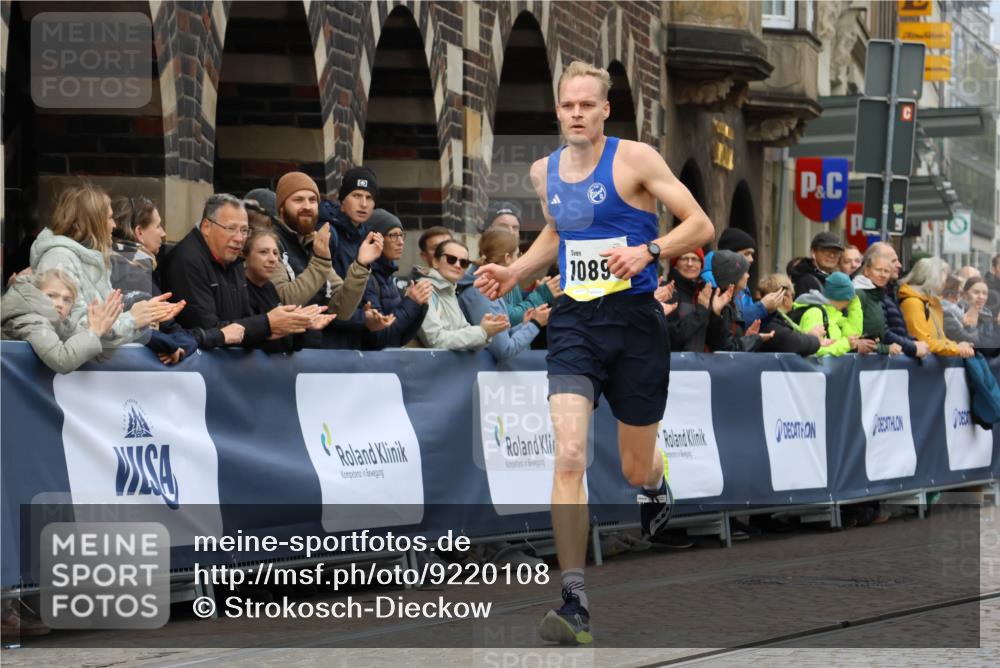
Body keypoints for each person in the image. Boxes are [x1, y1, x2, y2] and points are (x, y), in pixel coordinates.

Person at [474, 61, 714, 645]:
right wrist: (515, 271)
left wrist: (650, 249)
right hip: (577, 321)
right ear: (557, 110)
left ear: (605, 110)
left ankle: (655, 482)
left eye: (587, 105)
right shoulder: (543, 171)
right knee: (570, 454)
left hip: (634, 324)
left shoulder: (636, 159)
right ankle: (574, 598)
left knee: (634, 464)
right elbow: (558, 233)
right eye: (568, 105)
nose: (577, 114)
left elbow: (701, 224)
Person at [30, 184, 180, 348]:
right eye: (109, 218)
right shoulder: (59, 258)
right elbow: (72, 329)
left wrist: (147, 321)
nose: (114, 225)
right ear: (93, 222)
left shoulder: (94, 259)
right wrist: (133, 319)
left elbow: (106, 333)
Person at [162, 194, 315, 349]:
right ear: (206, 227)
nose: (239, 238)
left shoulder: (233, 261)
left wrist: (294, 325)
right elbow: (207, 330)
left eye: (244, 230)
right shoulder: (188, 261)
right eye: (231, 228)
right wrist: (267, 324)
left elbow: (244, 322)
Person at [268, 172, 376, 323]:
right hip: (283, 344)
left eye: (312, 200)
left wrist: (361, 266)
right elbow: (284, 300)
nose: (307, 206)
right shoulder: (270, 243)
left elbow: (341, 309)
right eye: (298, 200)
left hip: (314, 344)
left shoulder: (313, 243)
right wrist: (320, 261)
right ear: (281, 207)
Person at [110, 196, 197, 365]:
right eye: (158, 226)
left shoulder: (126, 266)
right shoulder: (131, 274)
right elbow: (172, 332)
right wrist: (178, 345)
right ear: (139, 232)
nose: (163, 233)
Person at [2, 270, 122, 373]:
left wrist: (103, 329)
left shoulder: (61, 323)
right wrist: (94, 332)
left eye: (67, 300)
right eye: (51, 296)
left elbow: (100, 355)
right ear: (36, 293)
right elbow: (62, 361)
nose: (60, 304)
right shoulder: (33, 320)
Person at [458, 229, 548, 361]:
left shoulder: (486, 285)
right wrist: (535, 324)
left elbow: (501, 335)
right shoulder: (482, 292)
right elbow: (504, 350)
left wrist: (525, 324)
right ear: (507, 258)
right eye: (517, 255)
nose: (519, 259)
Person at [243, 229, 336, 353]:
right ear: (245, 256)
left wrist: (301, 324)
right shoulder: (238, 289)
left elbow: (289, 346)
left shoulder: (269, 288)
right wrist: (275, 328)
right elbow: (247, 340)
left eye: (276, 253)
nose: (272, 259)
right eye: (263, 252)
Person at [417, 239, 509, 349]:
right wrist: (482, 331)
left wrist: (487, 331)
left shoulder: (450, 290)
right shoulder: (423, 288)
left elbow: (464, 331)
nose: (457, 265)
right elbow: (436, 340)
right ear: (435, 262)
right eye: (451, 259)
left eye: (463, 262)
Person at [361, 209, 431, 349]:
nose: (400, 242)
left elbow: (400, 338)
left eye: (401, 235)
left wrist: (417, 305)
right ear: (376, 239)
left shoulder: (388, 276)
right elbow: (381, 338)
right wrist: (411, 303)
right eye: (393, 235)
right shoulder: (365, 277)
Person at [898, 258, 975, 358]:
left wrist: (956, 346)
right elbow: (923, 342)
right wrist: (956, 348)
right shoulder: (913, 303)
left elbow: (939, 339)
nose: (946, 284)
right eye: (944, 280)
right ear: (933, 279)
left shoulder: (933, 302)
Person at [704, 227, 780, 327]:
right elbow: (731, 322)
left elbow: (747, 324)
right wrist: (762, 307)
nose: (751, 259)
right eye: (746, 254)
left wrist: (769, 310)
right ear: (729, 255)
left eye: (752, 254)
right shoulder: (710, 281)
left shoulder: (739, 280)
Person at [705, 250, 770, 352]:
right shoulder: (722, 306)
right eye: (745, 272)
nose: (748, 276)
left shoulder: (729, 302)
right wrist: (755, 339)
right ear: (734, 277)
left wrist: (747, 337)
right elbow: (727, 349)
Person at [790, 272, 865, 357]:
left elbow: (852, 335)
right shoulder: (815, 313)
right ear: (842, 297)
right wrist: (845, 344)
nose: (849, 303)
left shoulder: (832, 314)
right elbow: (814, 350)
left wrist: (854, 305)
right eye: (849, 299)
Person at [852, 252, 906, 356]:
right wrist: (885, 349)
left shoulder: (877, 295)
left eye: (886, 271)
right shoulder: (858, 294)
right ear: (867, 271)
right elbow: (856, 337)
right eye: (878, 270)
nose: (882, 275)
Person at [755, 274, 822, 356]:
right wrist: (815, 338)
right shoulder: (769, 322)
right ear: (785, 298)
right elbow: (793, 343)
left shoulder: (766, 318)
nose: (793, 301)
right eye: (792, 295)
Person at [662, 248, 711, 352]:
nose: (690, 263)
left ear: (701, 265)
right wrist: (701, 311)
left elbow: (715, 342)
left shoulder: (705, 293)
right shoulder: (667, 291)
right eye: (684, 259)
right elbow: (671, 337)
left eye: (694, 259)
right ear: (675, 264)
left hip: (702, 365)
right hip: (674, 364)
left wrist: (717, 313)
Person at [789, 232, 844, 297]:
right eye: (826, 251)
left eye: (836, 252)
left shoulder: (834, 280)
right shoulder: (806, 281)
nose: (832, 255)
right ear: (813, 253)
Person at [957, 277, 998, 350]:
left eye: (984, 293)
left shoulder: (987, 315)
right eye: (976, 292)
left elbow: (991, 347)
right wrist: (970, 327)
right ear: (965, 294)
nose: (981, 297)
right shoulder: (956, 312)